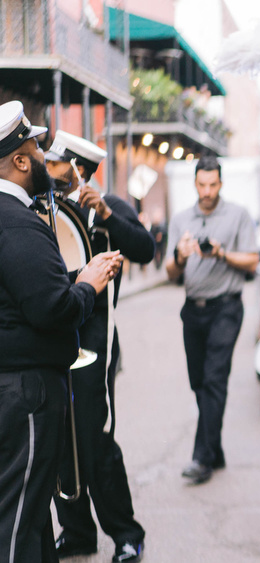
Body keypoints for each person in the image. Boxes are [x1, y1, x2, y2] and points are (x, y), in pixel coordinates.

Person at [0, 101, 122, 563]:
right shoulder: (16, 222)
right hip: (25, 391)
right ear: (20, 160)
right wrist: (87, 285)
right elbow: (53, 310)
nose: (43, 156)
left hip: (15, 385)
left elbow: (23, 292)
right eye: (36, 148)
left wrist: (72, 280)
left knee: (30, 520)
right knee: (18, 523)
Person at [44, 131, 153, 562]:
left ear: (78, 169)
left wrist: (107, 214)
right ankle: (77, 531)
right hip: (56, 338)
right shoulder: (44, 208)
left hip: (96, 338)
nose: (46, 167)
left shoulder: (110, 207)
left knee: (94, 437)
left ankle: (126, 533)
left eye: (55, 162)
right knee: (59, 438)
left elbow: (145, 249)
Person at [165, 156, 259, 484]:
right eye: (202, 185)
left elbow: (252, 261)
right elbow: (170, 272)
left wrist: (221, 253)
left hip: (226, 308)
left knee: (214, 379)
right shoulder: (181, 219)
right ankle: (214, 450)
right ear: (195, 184)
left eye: (213, 185)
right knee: (199, 382)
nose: (207, 191)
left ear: (221, 183)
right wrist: (180, 255)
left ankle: (201, 458)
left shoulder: (238, 215)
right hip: (193, 309)